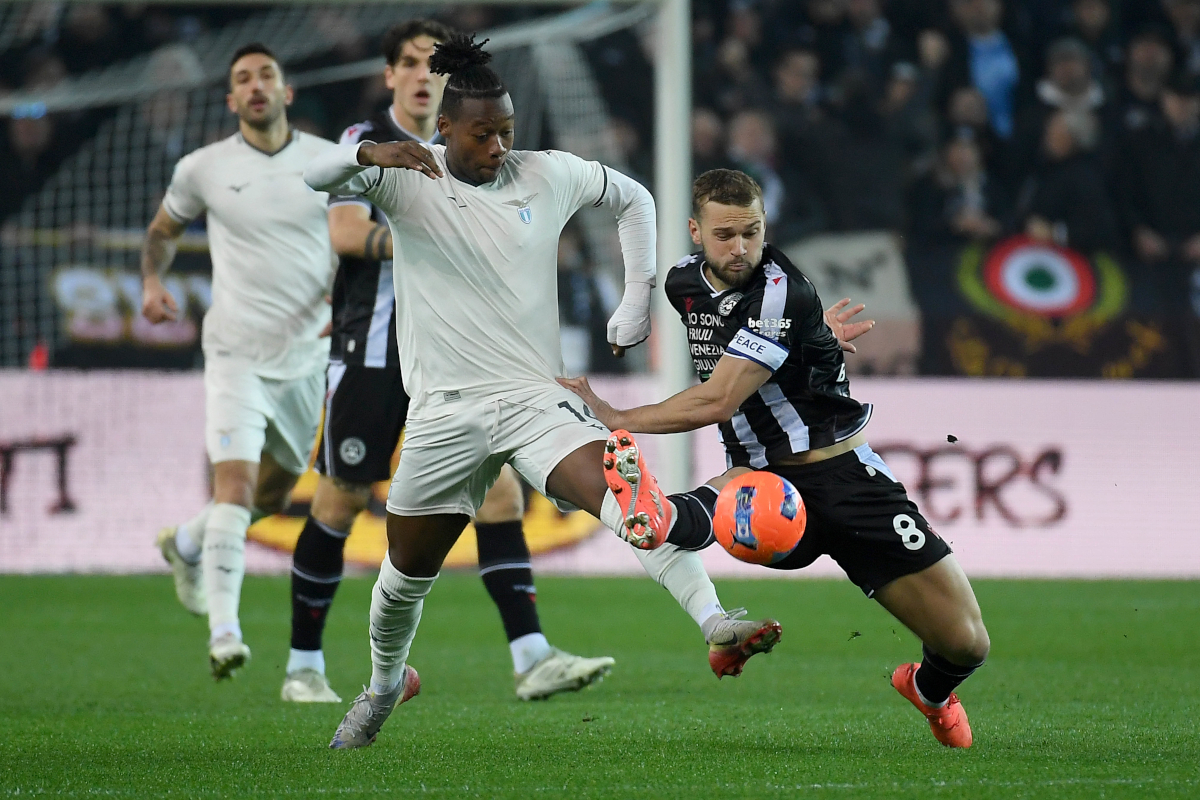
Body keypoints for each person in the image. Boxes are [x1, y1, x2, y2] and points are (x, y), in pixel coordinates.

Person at [303, 36, 781, 749]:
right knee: (403, 578)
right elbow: (310, 175)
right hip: (444, 412)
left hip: (535, 399)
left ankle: (716, 622)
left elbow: (635, 198)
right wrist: (369, 153)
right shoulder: (406, 176)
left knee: (631, 501)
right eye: (481, 134)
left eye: (506, 130)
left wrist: (637, 299)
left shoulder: (545, 173)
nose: (498, 147)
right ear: (444, 128)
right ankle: (383, 686)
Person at [561, 169, 992, 749]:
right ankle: (658, 516)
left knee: (966, 644)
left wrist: (619, 417)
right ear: (695, 232)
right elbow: (746, 347)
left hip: (847, 479)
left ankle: (929, 691)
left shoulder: (781, 291)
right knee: (730, 501)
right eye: (724, 235)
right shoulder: (683, 283)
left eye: (752, 233)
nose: (740, 248)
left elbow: (718, 399)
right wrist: (810, 334)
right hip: (765, 482)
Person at [284, 19, 615, 705]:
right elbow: (345, 233)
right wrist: (429, 234)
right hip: (376, 346)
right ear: (390, 76)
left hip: (466, 356)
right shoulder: (366, 140)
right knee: (342, 496)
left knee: (499, 495)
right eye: (408, 63)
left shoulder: (478, 153)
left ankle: (531, 655)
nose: (420, 76)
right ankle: (303, 665)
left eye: (432, 66)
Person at [143, 43, 337, 679]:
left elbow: (362, 231)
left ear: (286, 92)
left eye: (266, 76)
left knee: (273, 495)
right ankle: (225, 633)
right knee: (234, 487)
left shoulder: (328, 160)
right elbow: (163, 232)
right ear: (231, 100)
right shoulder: (202, 167)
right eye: (243, 79)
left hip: (306, 357)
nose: (256, 86)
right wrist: (152, 281)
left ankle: (188, 542)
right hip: (234, 352)